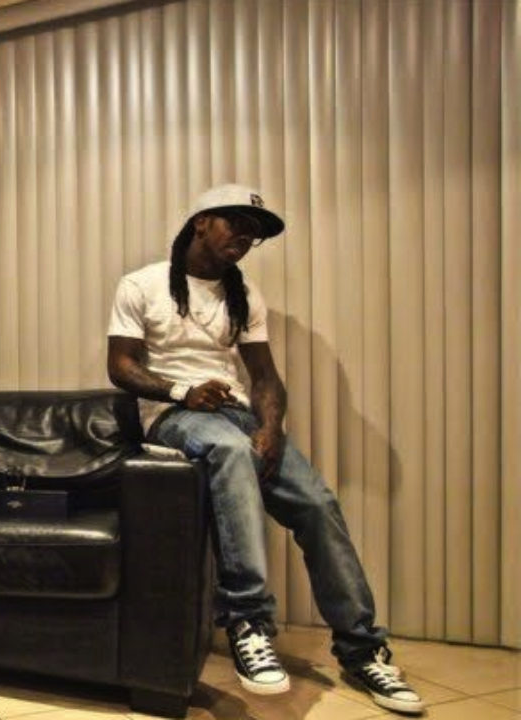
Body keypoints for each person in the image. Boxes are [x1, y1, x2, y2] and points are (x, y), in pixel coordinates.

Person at [105, 185, 424, 715]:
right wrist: (182, 390)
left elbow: (265, 377)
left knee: (316, 503)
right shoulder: (142, 284)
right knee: (231, 450)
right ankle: (248, 622)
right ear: (202, 222)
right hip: (172, 415)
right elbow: (120, 367)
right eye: (237, 223)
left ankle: (362, 649)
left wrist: (272, 427)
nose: (246, 237)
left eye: (254, 233)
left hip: (236, 415)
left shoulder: (244, 293)